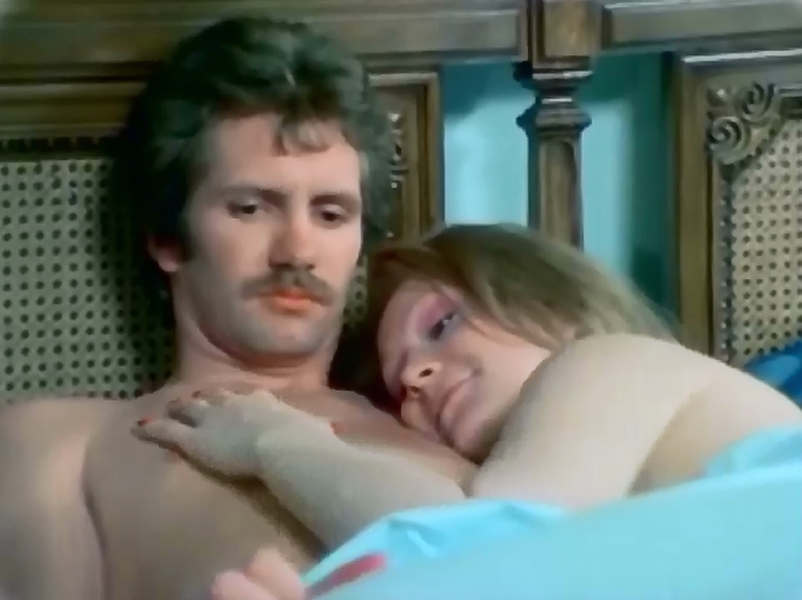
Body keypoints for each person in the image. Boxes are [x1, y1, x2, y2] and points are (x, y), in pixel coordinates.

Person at [0, 17, 474, 600]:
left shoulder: (448, 420)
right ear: (168, 238)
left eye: (330, 214)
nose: (297, 251)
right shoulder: (64, 444)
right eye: (250, 208)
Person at [135, 224, 802, 598]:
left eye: (442, 324)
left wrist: (273, 440)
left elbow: (480, 541)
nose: (416, 376)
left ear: (554, 303)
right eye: (399, 389)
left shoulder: (605, 362)